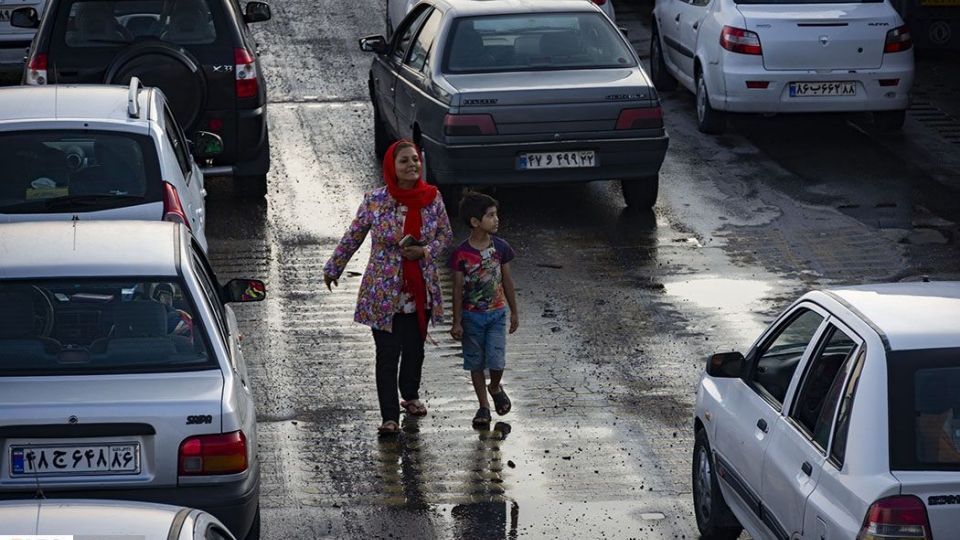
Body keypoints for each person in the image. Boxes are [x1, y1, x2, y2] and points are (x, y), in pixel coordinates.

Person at [323, 140, 452, 435]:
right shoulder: (375, 200)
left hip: (419, 288)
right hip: (383, 292)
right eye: (404, 161)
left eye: (415, 160)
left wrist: (425, 252)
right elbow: (353, 235)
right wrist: (334, 267)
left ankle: (410, 394)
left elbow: (445, 235)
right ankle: (389, 416)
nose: (412, 166)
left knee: (415, 348)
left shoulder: (433, 198)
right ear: (391, 167)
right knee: (387, 352)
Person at [449, 192, 519, 428]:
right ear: (475, 222)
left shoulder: (501, 248)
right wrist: (456, 321)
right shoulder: (461, 253)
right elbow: (457, 288)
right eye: (490, 215)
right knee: (476, 363)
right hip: (471, 318)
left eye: (496, 214)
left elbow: (507, 281)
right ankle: (483, 406)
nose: (496, 219)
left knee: (497, 360)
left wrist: (515, 312)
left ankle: (495, 386)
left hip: (497, 315)